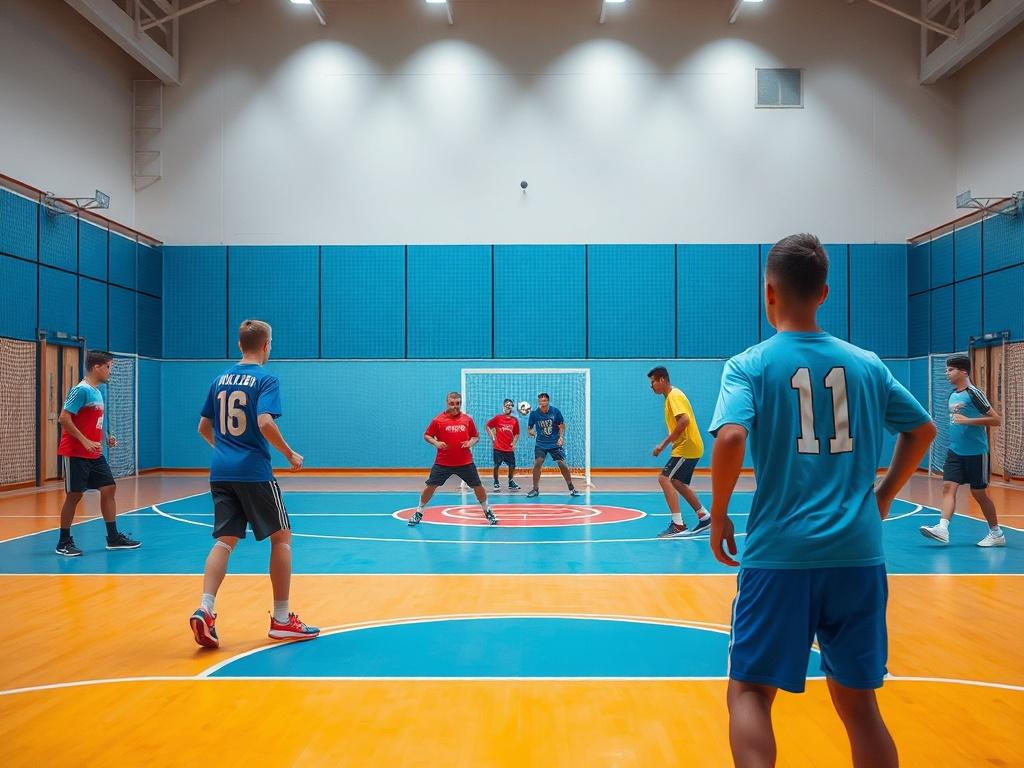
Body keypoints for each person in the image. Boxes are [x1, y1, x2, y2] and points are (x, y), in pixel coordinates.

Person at [708, 233, 935, 768]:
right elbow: (922, 431)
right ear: (825, 292)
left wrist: (717, 516)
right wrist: (881, 498)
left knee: (749, 694)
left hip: (780, 555)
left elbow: (732, 438)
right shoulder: (867, 364)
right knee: (860, 707)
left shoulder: (749, 364)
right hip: (857, 555)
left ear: (769, 293)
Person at [189, 319, 319, 649]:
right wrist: (289, 453)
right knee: (282, 538)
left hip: (221, 471)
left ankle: (205, 609)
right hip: (254, 472)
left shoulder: (219, 379)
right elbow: (263, 422)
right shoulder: (266, 379)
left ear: (238, 345)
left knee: (225, 540)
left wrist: (226, 452)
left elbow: (204, 427)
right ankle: (281, 619)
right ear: (266, 345)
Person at [54, 350, 140, 557]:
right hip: (76, 452)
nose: (111, 371)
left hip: (94, 453)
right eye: (109, 367)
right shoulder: (80, 390)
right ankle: (63, 541)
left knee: (109, 488)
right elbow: (64, 418)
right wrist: (84, 441)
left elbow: (92, 423)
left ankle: (113, 537)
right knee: (74, 495)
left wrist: (105, 437)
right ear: (97, 367)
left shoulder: (97, 391)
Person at [920, 355, 1005, 546]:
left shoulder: (974, 393)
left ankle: (996, 533)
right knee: (948, 487)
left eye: (951, 370)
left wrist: (969, 421)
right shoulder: (952, 395)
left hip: (976, 453)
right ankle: (942, 529)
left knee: (979, 494)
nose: (947, 373)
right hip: (955, 452)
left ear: (963, 371)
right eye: (947, 370)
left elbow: (997, 420)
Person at [408, 391, 497, 526]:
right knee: (430, 486)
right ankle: (419, 512)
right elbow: (427, 435)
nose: (455, 406)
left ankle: (487, 511)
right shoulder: (438, 420)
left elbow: (476, 436)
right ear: (447, 403)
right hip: (443, 462)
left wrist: (470, 443)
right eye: (452, 404)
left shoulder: (467, 419)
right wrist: (436, 443)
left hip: (465, 462)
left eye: (458, 404)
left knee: (478, 486)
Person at [647, 366, 711, 538]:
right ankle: (704, 516)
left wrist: (663, 445)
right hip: (689, 446)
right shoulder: (670, 397)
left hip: (687, 446)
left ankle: (678, 525)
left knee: (664, 478)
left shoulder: (674, 395)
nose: (651, 386)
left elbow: (683, 421)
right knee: (677, 482)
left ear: (661, 380)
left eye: (652, 381)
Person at [525, 393, 579, 497]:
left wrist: (561, 437)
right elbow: (529, 429)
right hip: (541, 443)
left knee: (561, 463)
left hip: (554, 443)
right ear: (538, 402)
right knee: (538, 463)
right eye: (541, 401)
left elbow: (562, 426)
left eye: (544, 400)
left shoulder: (555, 411)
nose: (542, 402)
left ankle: (571, 488)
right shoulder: (534, 414)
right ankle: (535, 489)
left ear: (548, 401)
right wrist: (533, 433)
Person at [486, 398, 521, 491]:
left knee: (512, 465)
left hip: (509, 448)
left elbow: (517, 433)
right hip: (498, 448)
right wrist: (493, 438)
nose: (508, 407)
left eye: (510, 405)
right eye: (506, 405)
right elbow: (488, 426)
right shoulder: (498, 418)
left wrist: (514, 443)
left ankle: (510, 482)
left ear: (512, 408)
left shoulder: (514, 420)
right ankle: (496, 482)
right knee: (496, 465)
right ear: (503, 407)